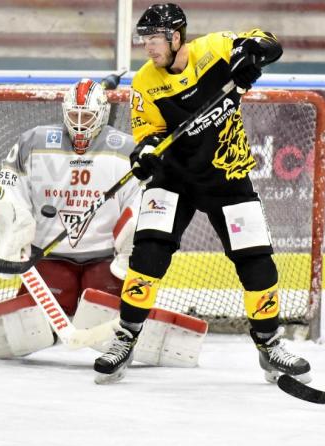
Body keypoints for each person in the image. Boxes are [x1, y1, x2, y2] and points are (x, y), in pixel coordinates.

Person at [92, 3, 312, 385]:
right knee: (148, 252)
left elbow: (269, 42)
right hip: (174, 178)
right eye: (144, 39)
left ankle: (269, 344)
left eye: (154, 38)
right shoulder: (145, 80)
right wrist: (145, 154)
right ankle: (126, 337)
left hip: (227, 173)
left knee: (256, 259)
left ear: (177, 36)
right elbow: (148, 136)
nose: (148, 47)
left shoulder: (214, 48)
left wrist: (249, 56)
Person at [0, 78, 140, 356]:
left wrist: (129, 248)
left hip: (103, 257)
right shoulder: (34, 142)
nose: (79, 124)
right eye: (73, 116)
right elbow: (9, 187)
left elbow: (141, 201)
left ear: (100, 115)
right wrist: (16, 229)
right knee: (30, 327)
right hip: (51, 255)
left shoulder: (125, 149)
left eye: (86, 116)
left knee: (107, 317)